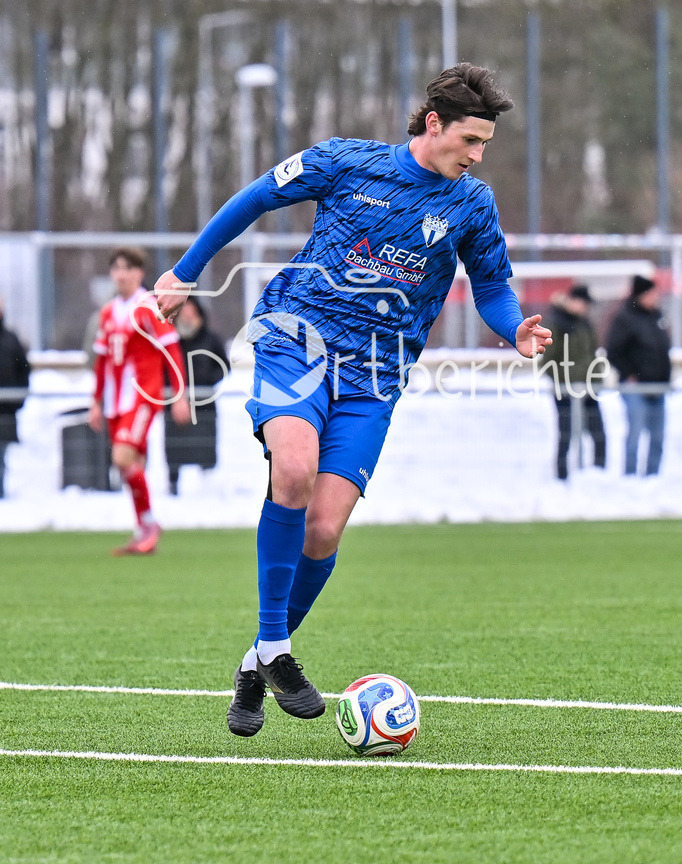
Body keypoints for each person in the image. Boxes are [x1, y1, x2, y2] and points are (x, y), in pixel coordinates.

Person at [154, 62, 552, 737]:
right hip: (296, 341)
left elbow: (490, 285)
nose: (479, 155)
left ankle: (257, 662)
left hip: (376, 375)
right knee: (295, 470)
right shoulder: (344, 162)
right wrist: (185, 272)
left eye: (486, 144)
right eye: (471, 140)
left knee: (326, 528)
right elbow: (252, 199)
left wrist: (513, 324)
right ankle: (277, 645)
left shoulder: (471, 204)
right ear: (434, 124)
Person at [87, 247, 191, 554]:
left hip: (143, 397)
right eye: (116, 268)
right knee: (131, 465)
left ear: (139, 273)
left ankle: (149, 525)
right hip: (115, 401)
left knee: (122, 458)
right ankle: (143, 532)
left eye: (127, 268)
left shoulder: (148, 306)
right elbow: (102, 361)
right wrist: (95, 401)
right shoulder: (107, 312)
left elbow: (171, 348)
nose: (121, 274)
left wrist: (179, 393)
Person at [606, 274, 671, 476]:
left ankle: (653, 477)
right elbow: (613, 351)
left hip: (657, 387)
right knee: (635, 433)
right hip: (636, 387)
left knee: (658, 436)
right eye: (652, 293)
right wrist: (629, 374)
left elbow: (661, 350)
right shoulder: (625, 318)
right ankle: (631, 477)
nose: (656, 298)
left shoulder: (657, 316)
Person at [164, 296, 230, 495]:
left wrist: (206, 381)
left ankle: (207, 487)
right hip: (175, 404)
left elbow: (224, 367)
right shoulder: (170, 339)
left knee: (204, 446)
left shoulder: (210, 338)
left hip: (205, 406)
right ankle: (173, 484)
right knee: (176, 446)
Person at [542, 284, 606, 480]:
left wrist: (595, 377)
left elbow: (591, 354)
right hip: (566, 391)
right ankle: (563, 479)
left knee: (599, 435)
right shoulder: (556, 323)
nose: (586, 308)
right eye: (584, 303)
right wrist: (565, 382)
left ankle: (598, 478)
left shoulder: (584, 324)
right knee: (566, 435)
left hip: (588, 389)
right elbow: (547, 359)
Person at [0, 298, 31, 498]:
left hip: (5, 411)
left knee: (1, 454)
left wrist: (17, 400)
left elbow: (24, 370)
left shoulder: (11, 339)